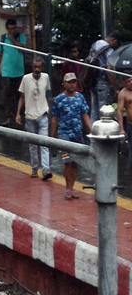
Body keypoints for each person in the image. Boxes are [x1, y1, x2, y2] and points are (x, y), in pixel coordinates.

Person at [50, 71, 93, 200]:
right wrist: (52, 138)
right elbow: (54, 119)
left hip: (77, 134)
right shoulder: (59, 99)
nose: (72, 84)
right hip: (64, 135)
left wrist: (91, 130)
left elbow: (85, 115)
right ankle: (67, 188)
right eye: (69, 82)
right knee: (67, 162)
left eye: (74, 82)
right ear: (64, 84)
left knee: (75, 163)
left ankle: (72, 187)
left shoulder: (80, 97)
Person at [17, 53, 52, 180]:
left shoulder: (46, 77)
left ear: (42, 67)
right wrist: (18, 113)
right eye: (35, 67)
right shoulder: (26, 79)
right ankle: (34, 168)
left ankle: (46, 169)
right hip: (30, 116)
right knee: (33, 145)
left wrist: (48, 109)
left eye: (39, 67)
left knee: (44, 143)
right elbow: (21, 98)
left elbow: (46, 94)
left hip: (42, 114)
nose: (37, 69)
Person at [0, 18, 27, 119]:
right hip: (7, 72)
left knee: (19, 94)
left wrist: (13, 39)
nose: (12, 31)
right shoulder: (2, 39)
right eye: (10, 29)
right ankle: (8, 116)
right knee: (7, 95)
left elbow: (23, 49)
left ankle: (19, 114)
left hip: (19, 71)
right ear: (6, 28)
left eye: (14, 28)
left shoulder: (21, 37)